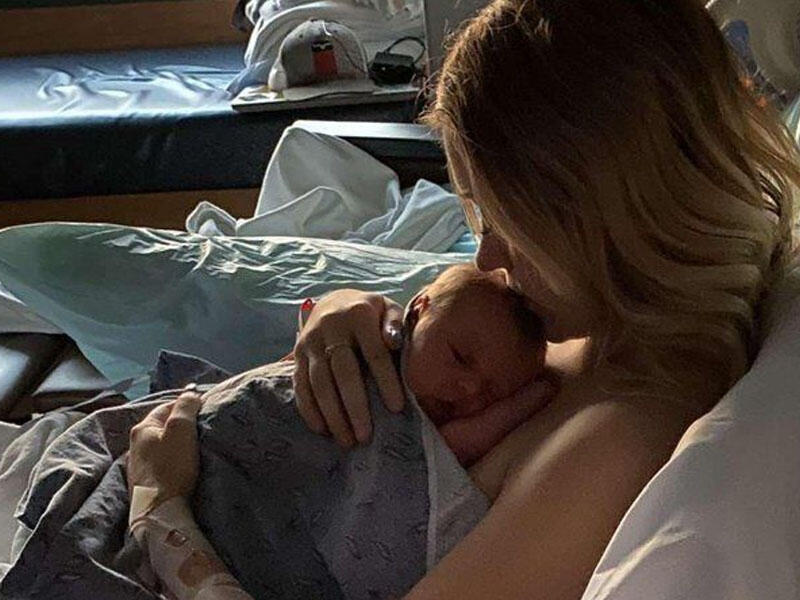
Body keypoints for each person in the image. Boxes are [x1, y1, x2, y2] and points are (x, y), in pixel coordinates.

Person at [127, 0, 800, 598]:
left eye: (508, 224)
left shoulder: (620, 439)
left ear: (604, 214)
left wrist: (157, 509)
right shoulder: (598, 318)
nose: (487, 259)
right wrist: (354, 311)